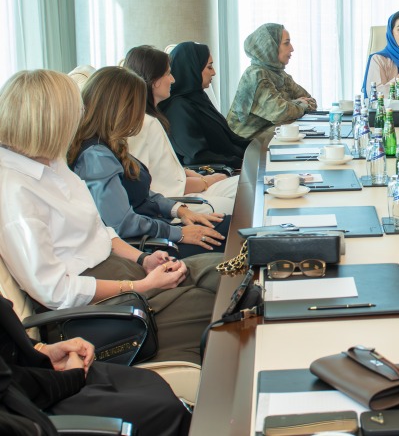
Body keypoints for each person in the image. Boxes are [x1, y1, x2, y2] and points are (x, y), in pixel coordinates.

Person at [0, 69, 221, 365]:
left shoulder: (51, 162)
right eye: (74, 111)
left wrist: (143, 260)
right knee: (217, 303)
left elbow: (101, 231)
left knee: (225, 272)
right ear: (51, 121)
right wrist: (140, 286)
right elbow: (57, 291)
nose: (80, 119)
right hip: (93, 310)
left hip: (119, 272)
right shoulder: (13, 190)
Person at [69, 67, 228, 259]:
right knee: (239, 235)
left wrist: (179, 210)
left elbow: (141, 195)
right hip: (148, 248)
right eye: (138, 106)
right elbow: (122, 224)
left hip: (157, 231)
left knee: (236, 228)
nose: (140, 114)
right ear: (121, 108)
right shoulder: (96, 157)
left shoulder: (109, 143)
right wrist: (178, 233)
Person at [0, 296, 190, 435]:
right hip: (28, 405)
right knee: (164, 411)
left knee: (150, 386)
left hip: (36, 375)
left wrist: (43, 350)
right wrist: (72, 376)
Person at [124, 46, 238, 214]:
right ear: (154, 80)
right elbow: (152, 186)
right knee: (244, 202)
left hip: (182, 191)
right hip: (172, 205)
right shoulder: (143, 124)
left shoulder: (150, 119)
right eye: (168, 74)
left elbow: (161, 169)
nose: (173, 80)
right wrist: (207, 181)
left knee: (246, 187)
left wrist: (193, 175)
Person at [160, 41, 250, 170]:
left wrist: (260, 146)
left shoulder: (199, 98)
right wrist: (240, 162)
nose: (213, 72)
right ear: (193, 68)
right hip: (218, 173)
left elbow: (230, 139)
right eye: (209, 67)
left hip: (233, 165)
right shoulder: (178, 108)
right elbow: (196, 156)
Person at [226, 23, 317, 139]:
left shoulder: (279, 74)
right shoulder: (256, 75)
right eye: (286, 43)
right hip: (244, 146)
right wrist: (299, 103)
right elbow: (280, 113)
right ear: (270, 47)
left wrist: (296, 105)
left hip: (267, 138)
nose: (292, 48)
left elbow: (310, 100)